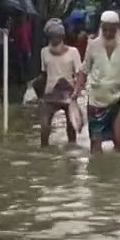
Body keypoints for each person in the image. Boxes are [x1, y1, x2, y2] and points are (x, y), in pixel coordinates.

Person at [74, 10, 120, 153]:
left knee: (119, 140)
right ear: (101, 27)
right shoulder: (92, 45)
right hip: (95, 101)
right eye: (105, 29)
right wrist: (76, 91)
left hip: (119, 99)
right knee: (95, 143)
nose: (108, 33)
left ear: (117, 28)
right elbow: (84, 70)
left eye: (112, 30)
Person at [37, 19, 83, 147]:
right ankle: (44, 150)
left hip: (69, 94)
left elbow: (79, 74)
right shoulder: (44, 52)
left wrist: (77, 92)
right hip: (50, 93)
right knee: (44, 127)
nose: (54, 39)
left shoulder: (73, 52)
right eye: (51, 37)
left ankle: (72, 151)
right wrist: (40, 95)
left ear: (62, 36)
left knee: (71, 128)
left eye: (56, 36)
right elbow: (44, 74)